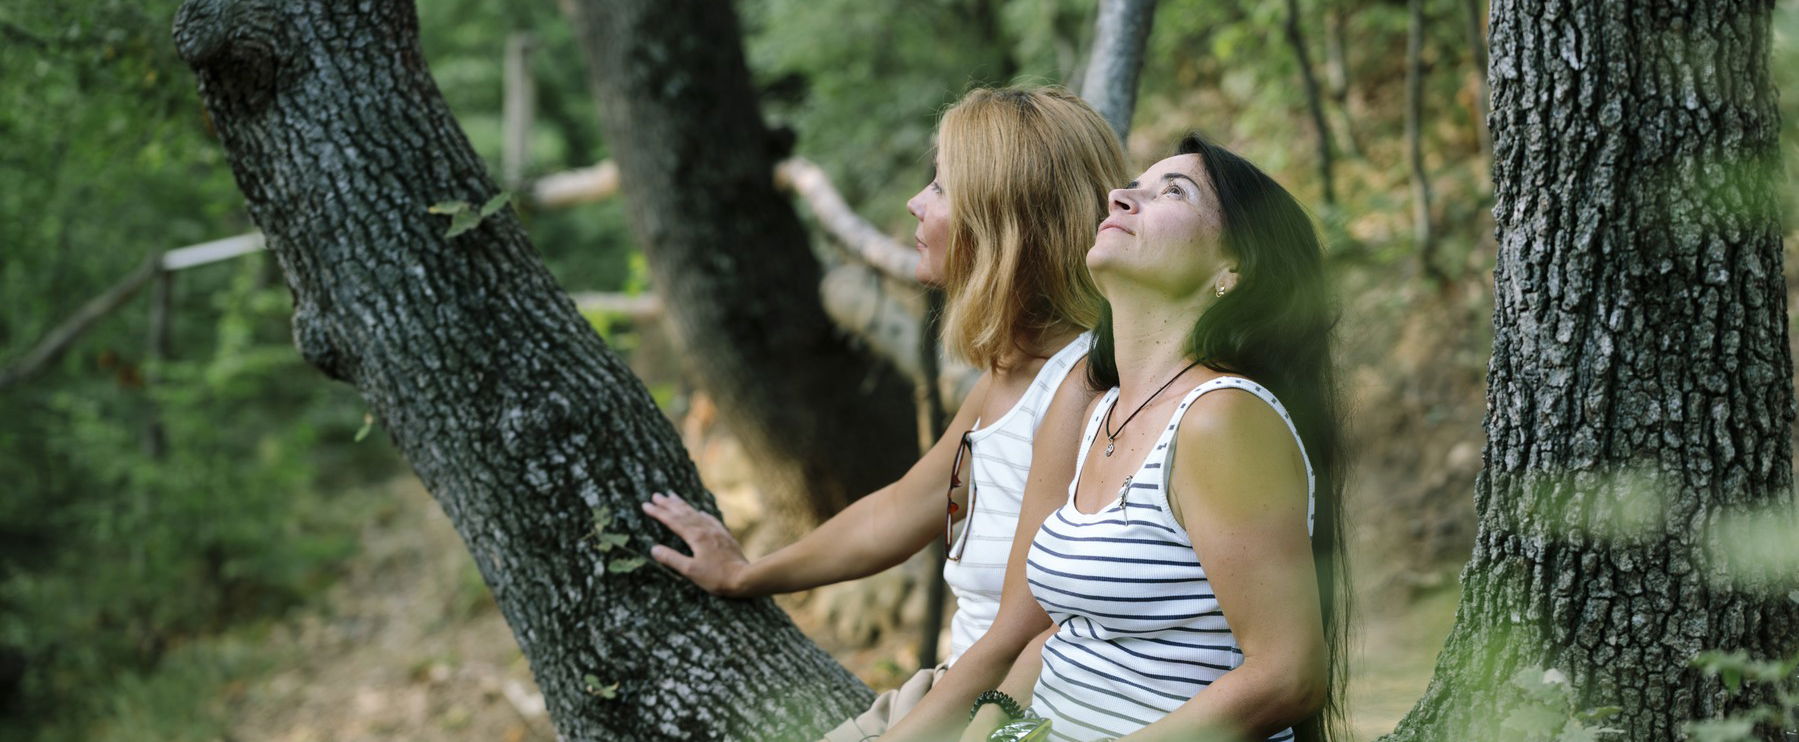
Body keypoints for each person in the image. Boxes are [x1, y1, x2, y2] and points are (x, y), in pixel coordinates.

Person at [638, 86, 1130, 741]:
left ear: (1003, 225)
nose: (914, 202)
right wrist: (747, 574)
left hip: (1024, 710)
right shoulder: (1010, 377)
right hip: (964, 684)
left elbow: (1034, 632)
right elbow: (900, 510)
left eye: (940, 189)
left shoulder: (1083, 390)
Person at [895, 133, 1349, 742]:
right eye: (1133, 185)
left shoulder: (1221, 417)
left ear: (1232, 268)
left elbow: (1288, 675)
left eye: (1173, 191)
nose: (1122, 197)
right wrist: (989, 730)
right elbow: (1066, 627)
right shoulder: (1101, 413)